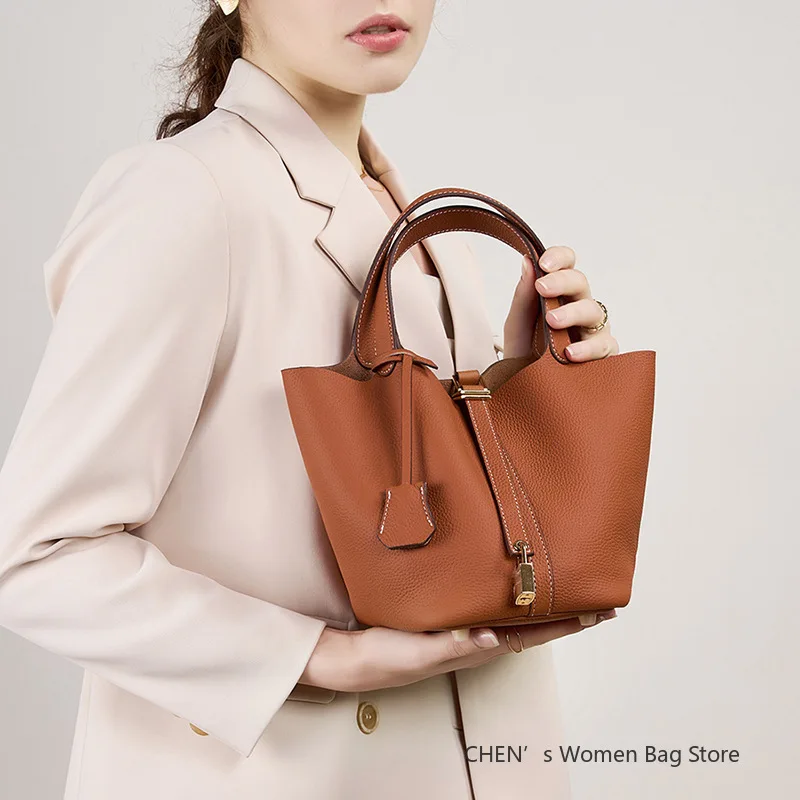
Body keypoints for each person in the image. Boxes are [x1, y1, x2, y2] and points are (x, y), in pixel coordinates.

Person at [0, 2, 619, 799]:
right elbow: (36, 556)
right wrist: (320, 657)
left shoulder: (417, 220)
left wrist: (529, 390)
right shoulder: (182, 195)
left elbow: (429, 532)